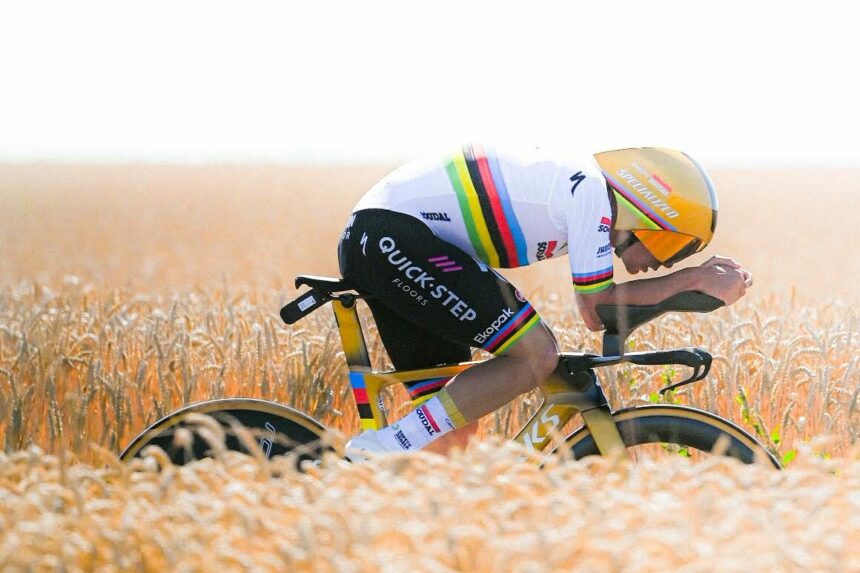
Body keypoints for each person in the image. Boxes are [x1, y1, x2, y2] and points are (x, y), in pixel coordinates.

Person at [338, 145, 752, 459]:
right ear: (654, 217)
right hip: (393, 236)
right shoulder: (592, 192)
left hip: (385, 238)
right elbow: (598, 309)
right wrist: (691, 279)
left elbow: (609, 309)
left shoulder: (585, 189)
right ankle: (381, 450)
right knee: (536, 354)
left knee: (452, 434)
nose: (662, 263)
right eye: (673, 249)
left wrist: (683, 286)